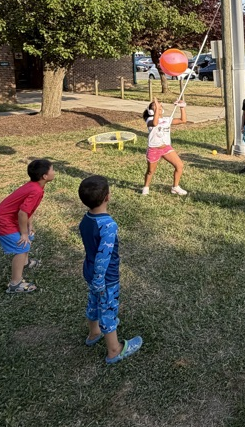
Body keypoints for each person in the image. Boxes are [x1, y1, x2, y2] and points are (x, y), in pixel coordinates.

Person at [78, 175, 143, 365]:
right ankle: (114, 350)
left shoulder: (87, 219)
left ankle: (94, 332)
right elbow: (103, 257)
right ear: (108, 197)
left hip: (89, 271)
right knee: (108, 309)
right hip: (106, 277)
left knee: (94, 301)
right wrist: (100, 280)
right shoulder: (108, 225)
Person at [0, 158, 55, 294]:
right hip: (2, 221)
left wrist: (29, 225)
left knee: (29, 236)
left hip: (9, 219)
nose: (54, 172)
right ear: (44, 176)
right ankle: (15, 284)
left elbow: (28, 209)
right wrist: (23, 232)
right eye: (52, 170)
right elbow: (22, 213)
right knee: (22, 244)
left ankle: (25, 263)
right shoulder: (36, 190)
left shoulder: (36, 187)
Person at [141, 98, 188, 196]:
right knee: (150, 171)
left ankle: (175, 187)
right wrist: (157, 108)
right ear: (150, 111)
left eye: (160, 106)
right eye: (155, 105)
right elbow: (155, 123)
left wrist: (182, 107)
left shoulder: (166, 119)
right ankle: (146, 187)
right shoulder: (149, 120)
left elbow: (183, 120)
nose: (159, 106)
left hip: (166, 148)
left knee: (179, 166)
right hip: (154, 149)